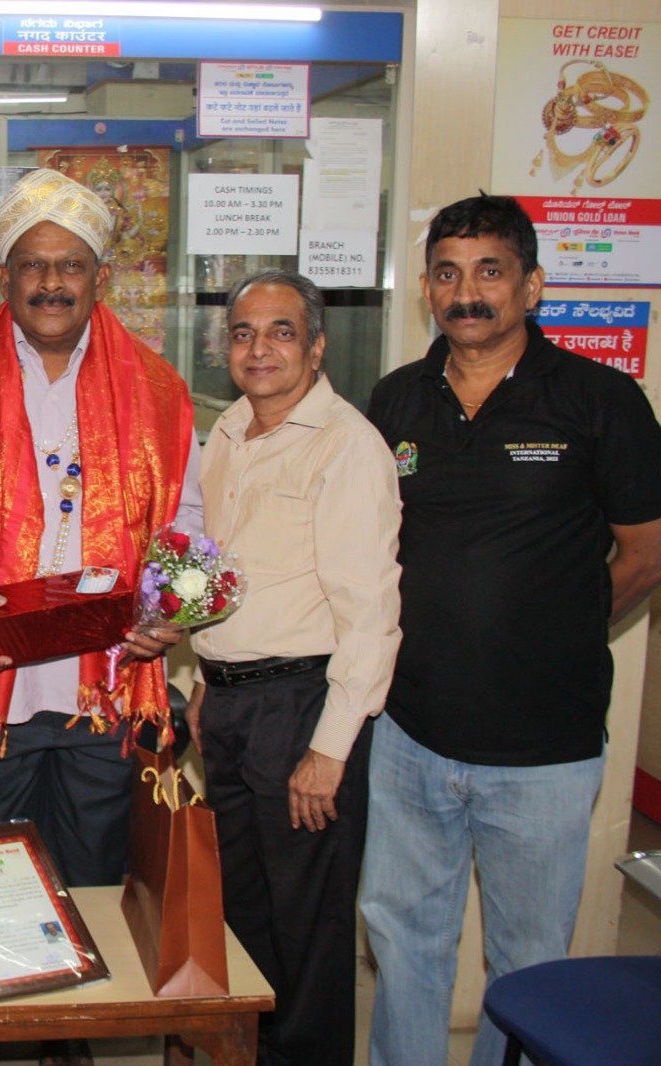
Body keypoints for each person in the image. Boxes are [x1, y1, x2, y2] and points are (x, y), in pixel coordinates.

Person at [361, 193, 661, 1066]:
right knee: (403, 939)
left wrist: (555, 629)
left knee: (529, 960)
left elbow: (645, 553)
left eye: (490, 272)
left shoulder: (600, 400)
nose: (467, 293)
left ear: (530, 286)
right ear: (427, 287)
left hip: (545, 749)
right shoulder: (396, 400)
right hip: (410, 734)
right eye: (448, 273)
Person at [0, 167, 203, 889]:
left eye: (70, 265)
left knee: (97, 884)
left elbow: (186, 522)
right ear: (3, 277)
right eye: (32, 265)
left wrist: (169, 610)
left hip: (107, 686)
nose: (51, 283)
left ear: (99, 279)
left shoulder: (159, 390)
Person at [187, 269, 401, 1065]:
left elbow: (370, 612)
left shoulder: (347, 445)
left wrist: (330, 748)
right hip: (232, 706)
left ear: (316, 347)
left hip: (303, 707)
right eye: (243, 333)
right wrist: (204, 681)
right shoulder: (228, 431)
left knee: (308, 925)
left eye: (281, 332)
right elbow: (219, 571)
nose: (259, 349)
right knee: (244, 912)